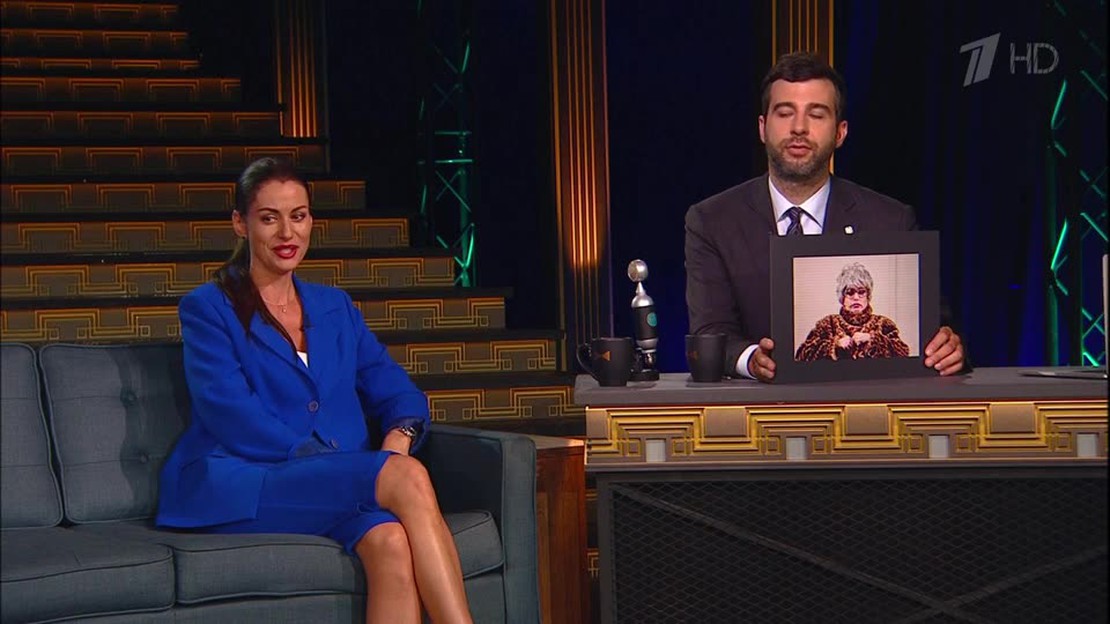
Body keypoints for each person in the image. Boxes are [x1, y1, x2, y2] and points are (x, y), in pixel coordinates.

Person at [155, 157, 473, 624]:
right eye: (270, 218)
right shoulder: (209, 308)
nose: (287, 233)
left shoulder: (334, 306)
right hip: (246, 479)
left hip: (329, 479)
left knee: (390, 541)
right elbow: (232, 415)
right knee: (405, 479)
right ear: (241, 224)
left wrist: (397, 439)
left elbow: (398, 391)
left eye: (298, 216)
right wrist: (350, 468)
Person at [684, 51, 965, 382]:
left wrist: (948, 347)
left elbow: (934, 330)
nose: (799, 128)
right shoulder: (712, 221)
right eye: (785, 113)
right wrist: (751, 360)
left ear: (840, 132)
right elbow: (710, 332)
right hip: (759, 407)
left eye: (816, 115)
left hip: (863, 407)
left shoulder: (891, 220)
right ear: (762, 127)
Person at [794, 262, 910, 362]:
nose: (856, 297)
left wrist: (873, 339)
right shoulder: (827, 324)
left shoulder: (883, 324)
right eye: (850, 292)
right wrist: (834, 345)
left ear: (868, 296)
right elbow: (802, 356)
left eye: (861, 292)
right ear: (842, 297)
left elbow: (903, 354)